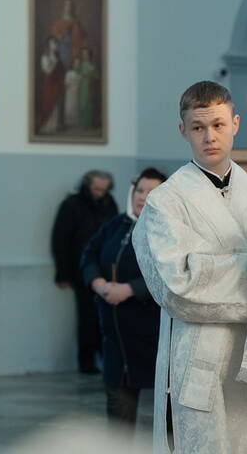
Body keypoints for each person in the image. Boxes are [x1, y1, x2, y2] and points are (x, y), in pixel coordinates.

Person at [133, 80, 247, 453]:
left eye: (218, 124)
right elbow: (178, 286)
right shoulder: (165, 202)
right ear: (183, 130)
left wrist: (227, 268)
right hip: (201, 357)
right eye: (198, 127)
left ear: (236, 124)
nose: (209, 136)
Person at [81, 167, 167, 428]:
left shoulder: (168, 230)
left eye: (151, 192)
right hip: (117, 341)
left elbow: (170, 273)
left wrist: (130, 289)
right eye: (140, 190)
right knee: (119, 423)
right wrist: (98, 284)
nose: (142, 196)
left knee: (170, 423)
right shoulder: (118, 224)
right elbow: (90, 253)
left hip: (153, 337)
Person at [51, 169, 118, 373]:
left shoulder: (109, 203)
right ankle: (86, 360)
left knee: (106, 316)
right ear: (87, 186)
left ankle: (107, 358)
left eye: (103, 190)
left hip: (105, 268)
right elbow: (60, 240)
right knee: (87, 316)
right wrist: (62, 273)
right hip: (80, 268)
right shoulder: (72, 204)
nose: (100, 193)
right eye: (96, 189)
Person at [39, 36, 65, 134]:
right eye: (53, 43)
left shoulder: (57, 56)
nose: (55, 45)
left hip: (57, 84)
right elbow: (47, 71)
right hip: (49, 83)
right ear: (49, 45)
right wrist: (54, 63)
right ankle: (46, 126)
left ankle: (55, 126)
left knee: (56, 104)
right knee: (48, 102)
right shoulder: (45, 57)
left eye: (56, 44)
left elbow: (61, 70)